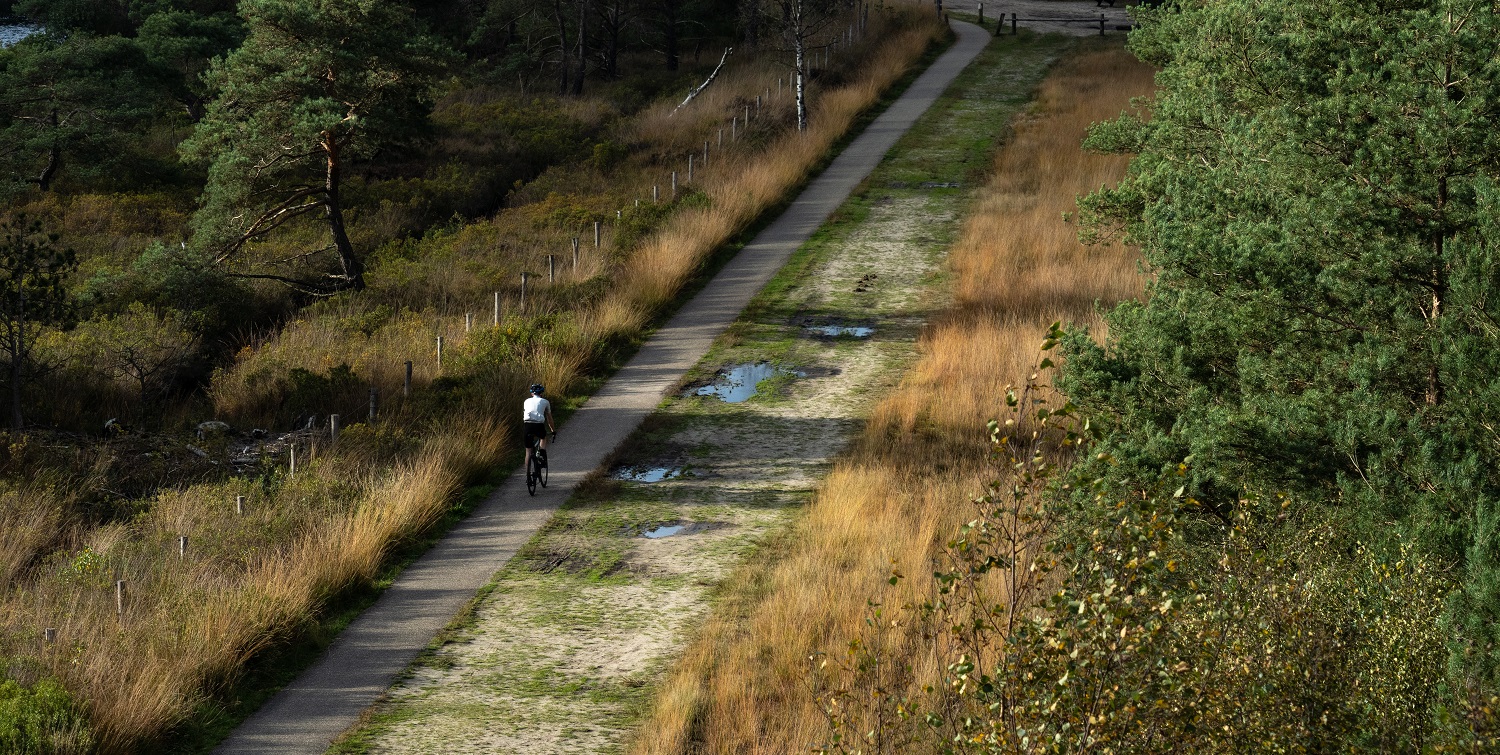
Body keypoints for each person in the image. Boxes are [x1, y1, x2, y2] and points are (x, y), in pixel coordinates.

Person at [523, 383, 555, 475]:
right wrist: (553, 430)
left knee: (528, 451)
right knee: (543, 438)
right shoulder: (545, 401)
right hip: (538, 425)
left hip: (527, 425)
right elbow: (550, 419)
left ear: (531, 393)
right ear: (541, 393)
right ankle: (541, 453)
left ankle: (528, 475)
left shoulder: (526, 401)